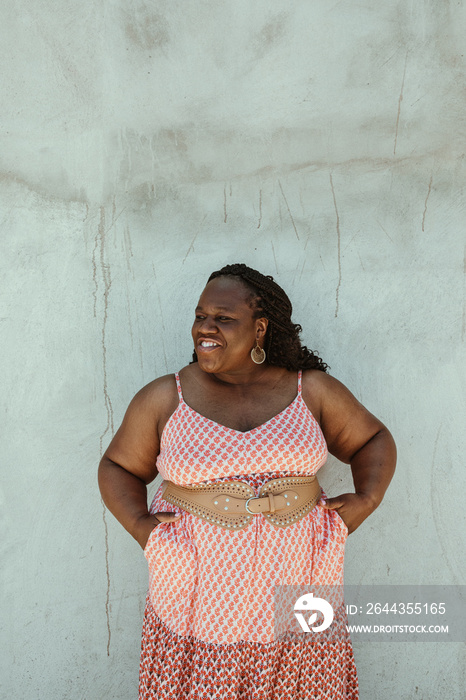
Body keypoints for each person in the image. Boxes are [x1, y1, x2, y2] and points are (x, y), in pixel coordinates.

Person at [98, 263, 396, 699]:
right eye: (201, 316)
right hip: (197, 583)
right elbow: (118, 467)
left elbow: (371, 439)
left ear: (260, 329)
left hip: (298, 573)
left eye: (223, 318)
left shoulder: (310, 390)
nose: (206, 328)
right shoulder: (166, 396)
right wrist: (145, 532)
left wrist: (368, 498)